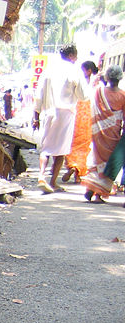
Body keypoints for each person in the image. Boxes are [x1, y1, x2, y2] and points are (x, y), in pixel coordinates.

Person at [32, 43, 86, 194]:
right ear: (71, 55)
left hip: (48, 111)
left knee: (46, 147)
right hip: (66, 113)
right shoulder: (75, 70)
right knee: (61, 150)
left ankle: (41, 176)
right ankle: (53, 182)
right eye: (75, 56)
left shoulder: (49, 69)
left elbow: (39, 94)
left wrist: (35, 115)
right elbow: (83, 94)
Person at [82, 65, 125, 203]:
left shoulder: (98, 91)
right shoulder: (123, 95)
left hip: (98, 131)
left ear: (107, 77)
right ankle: (98, 194)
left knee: (97, 159)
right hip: (113, 134)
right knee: (109, 162)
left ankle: (90, 188)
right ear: (120, 78)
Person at [62, 61, 98, 184]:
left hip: (76, 116)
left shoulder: (78, 81)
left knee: (71, 144)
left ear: (88, 71)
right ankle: (78, 174)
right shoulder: (96, 83)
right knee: (84, 147)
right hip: (88, 118)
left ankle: (72, 165)